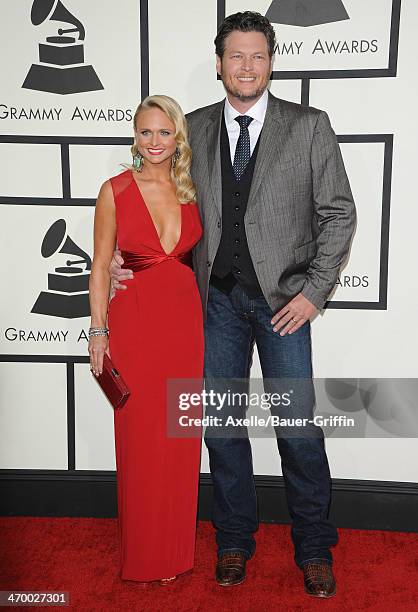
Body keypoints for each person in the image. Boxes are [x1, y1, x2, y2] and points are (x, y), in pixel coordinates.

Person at [111, 11, 356, 598]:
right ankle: (234, 541)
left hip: (284, 306)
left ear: (271, 62)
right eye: (235, 56)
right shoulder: (189, 130)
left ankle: (315, 547)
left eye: (258, 56)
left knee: (296, 428)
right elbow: (156, 206)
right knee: (221, 429)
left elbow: (339, 214)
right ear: (218, 63)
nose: (246, 67)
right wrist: (127, 259)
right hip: (212, 305)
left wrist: (313, 293)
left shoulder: (309, 126)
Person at [88, 95, 204, 583]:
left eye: (163, 133)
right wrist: (98, 332)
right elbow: (99, 265)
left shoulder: (192, 189)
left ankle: (175, 552)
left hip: (184, 324)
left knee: (179, 437)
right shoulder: (114, 190)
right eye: (144, 132)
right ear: (134, 136)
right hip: (135, 323)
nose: (154, 142)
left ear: (177, 137)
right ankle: (143, 555)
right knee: (139, 439)